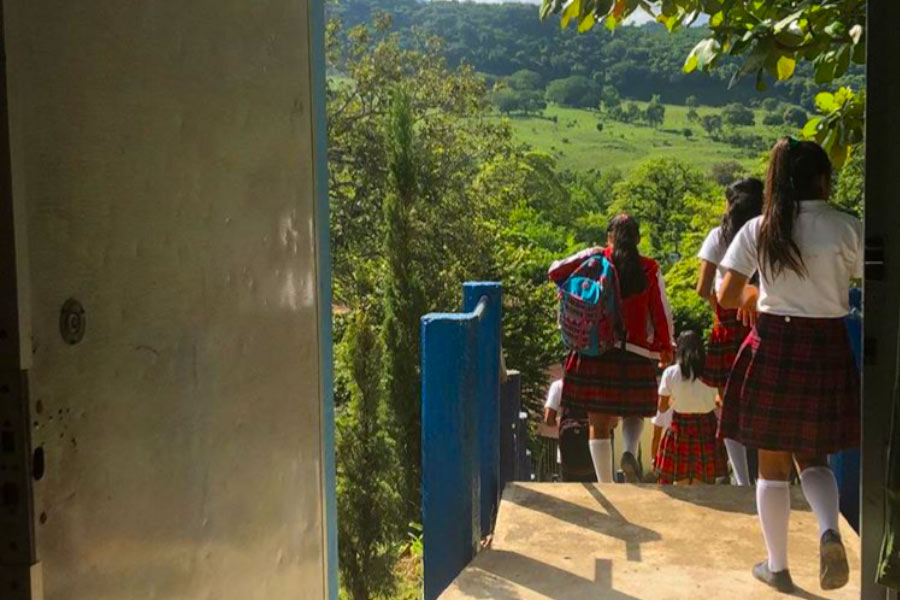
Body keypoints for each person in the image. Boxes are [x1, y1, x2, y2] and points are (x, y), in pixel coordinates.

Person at [718, 138, 861, 593]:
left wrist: (755, 295)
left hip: (774, 344)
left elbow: (724, 294)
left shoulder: (761, 229)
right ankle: (828, 530)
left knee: (772, 465)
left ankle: (777, 567)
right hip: (828, 346)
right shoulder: (847, 228)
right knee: (814, 454)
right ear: (823, 180)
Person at [550, 214, 674, 483]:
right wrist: (665, 345)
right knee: (634, 412)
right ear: (638, 239)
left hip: (596, 351)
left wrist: (590, 251)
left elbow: (555, 271)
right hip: (637, 352)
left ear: (609, 237)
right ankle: (629, 451)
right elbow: (661, 311)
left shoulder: (597, 261)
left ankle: (606, 483)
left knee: (598, 422)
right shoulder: (649, 268)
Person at [696, 177, 764, 486]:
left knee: (728, 405)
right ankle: (773, 474)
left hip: (727, 323)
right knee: (765, 400)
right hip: (764, 318)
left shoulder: (717, 237)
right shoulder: (767, 233)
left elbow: (701, 287)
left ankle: (742, 479)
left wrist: (719, 306)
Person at [655, 331, 727, 485]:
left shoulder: (670, 373)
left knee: (679, 482)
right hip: (706, 427)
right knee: (703, 483)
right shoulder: (711, 372)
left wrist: (675, 401)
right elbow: (720, 400)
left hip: (679, 428)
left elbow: (661, 408)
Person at [544, 379, 598, 482]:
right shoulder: (596, 384)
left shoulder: (558, 385)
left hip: (567, 455)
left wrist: (564, 422)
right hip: (594, 451)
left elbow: (548, 419)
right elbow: (613, 423)